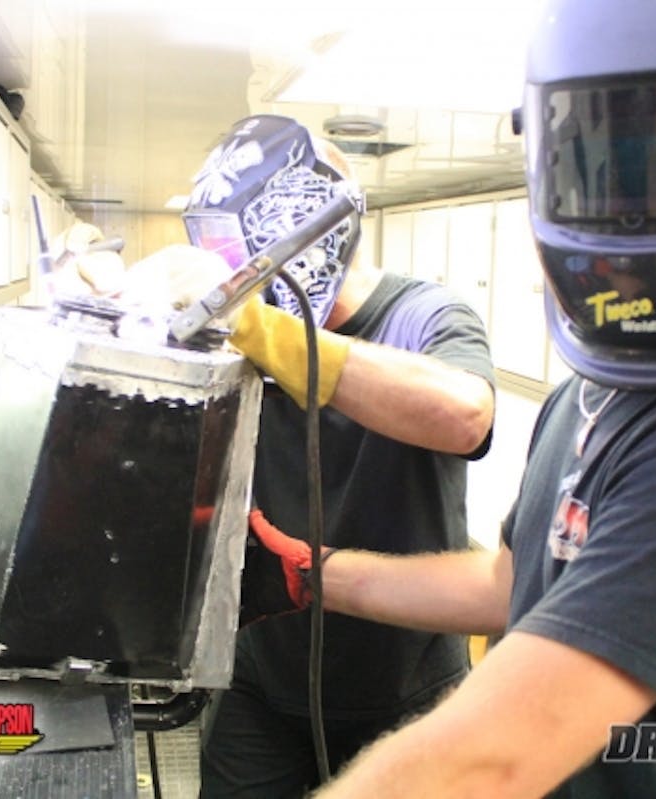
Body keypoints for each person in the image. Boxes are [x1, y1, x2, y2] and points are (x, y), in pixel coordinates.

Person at [243, 1, 656, 797]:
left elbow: (495, 757)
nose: (626, 216)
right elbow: (512, 584)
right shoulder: (593, 392)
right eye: (593, 166)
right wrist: (316, 574)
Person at [176, 114, 497, 797]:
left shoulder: (425, 315)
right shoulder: (247, 328)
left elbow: (465, 415)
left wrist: (267, 333)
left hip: (409, 693)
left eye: (243, 258)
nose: (235, 278)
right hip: (264, 682)